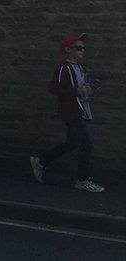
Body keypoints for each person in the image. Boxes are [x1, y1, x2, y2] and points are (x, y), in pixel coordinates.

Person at [30, 34, 104, 193]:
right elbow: (54, 89)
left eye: (83, 48)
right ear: (68, 50)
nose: (82, 51)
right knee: (86, 144)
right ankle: (83, 180)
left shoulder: (81, 67)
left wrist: (89, 89)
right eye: (79, 48)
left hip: (80, 108)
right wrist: (76, 91)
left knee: (72, 142)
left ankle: (41, 162)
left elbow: (81, 88)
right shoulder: (64, 67)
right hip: (71, 111)